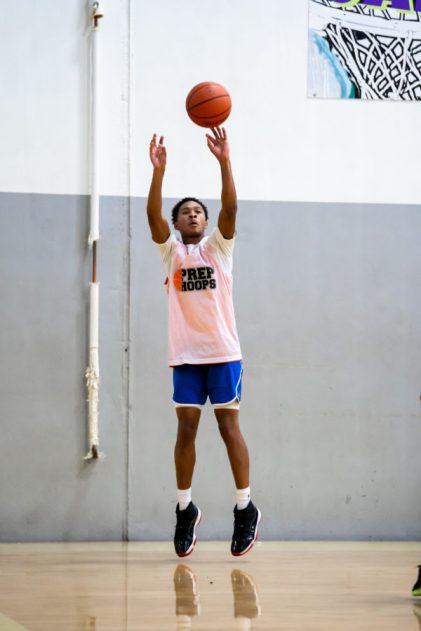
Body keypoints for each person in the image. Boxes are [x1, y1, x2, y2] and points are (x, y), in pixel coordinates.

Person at [146, 126, 261, 557]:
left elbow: (231, 206)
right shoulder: (172, 253)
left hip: (223, 354)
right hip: (186, 357)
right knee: (186, 429)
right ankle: (185, 509)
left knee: (228, 427)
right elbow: (152, 218)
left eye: (198, 212)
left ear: (207, 222)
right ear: (177, 224)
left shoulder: (219, 249)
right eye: (185, 212)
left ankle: (245, 507)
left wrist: (224, 160)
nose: (193, 215)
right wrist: (158, 171)